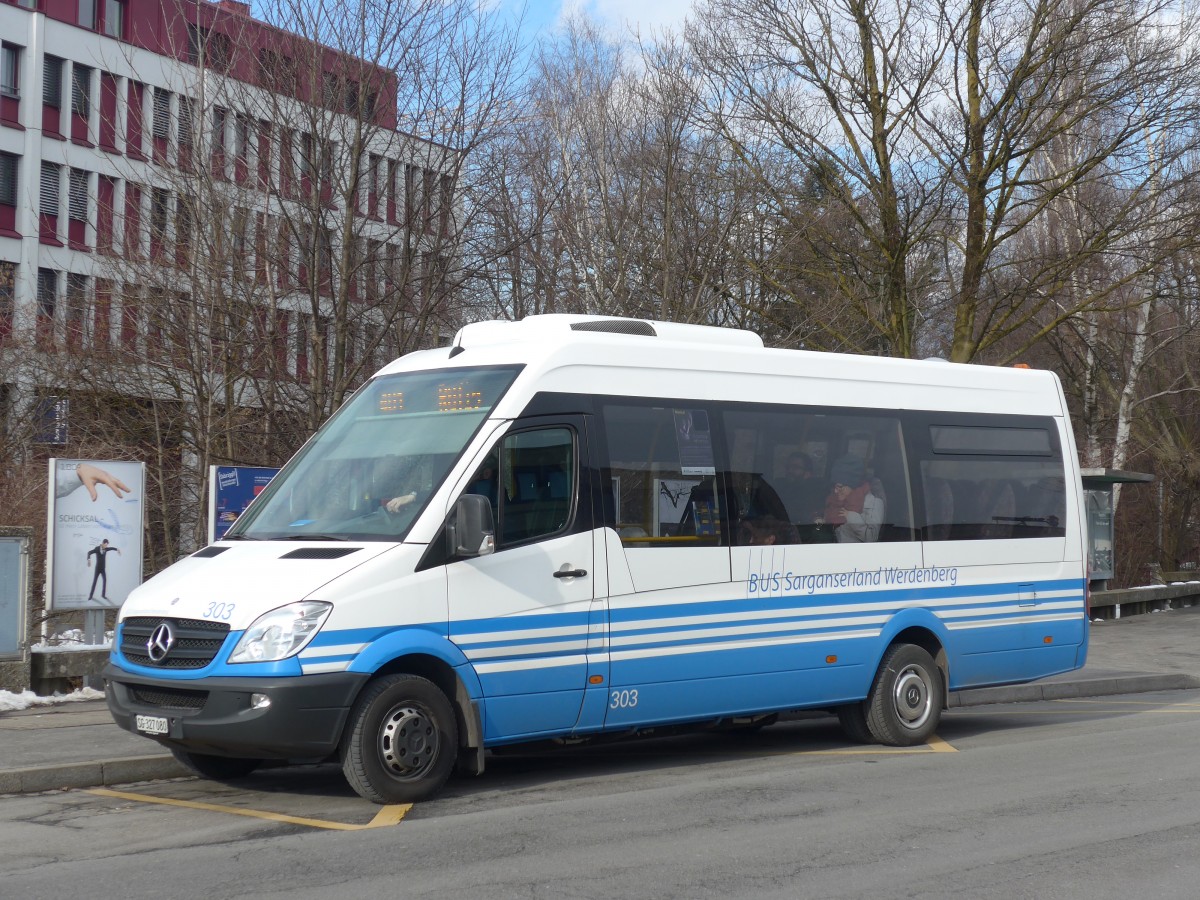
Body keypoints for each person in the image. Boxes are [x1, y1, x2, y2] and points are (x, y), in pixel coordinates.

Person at [819, 455, 884, 543]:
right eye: (834, 486)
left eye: (840, 486)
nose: (835, 491)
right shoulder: (833, 499)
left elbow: (871, 537)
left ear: (852, 484)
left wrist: (851, 516)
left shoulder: (873, 502)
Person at [773, 451, 826, 526]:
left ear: (808, 473)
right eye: (788, 467)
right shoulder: (778, 486)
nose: (790, 470)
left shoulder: (816, 492)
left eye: (796, 467)